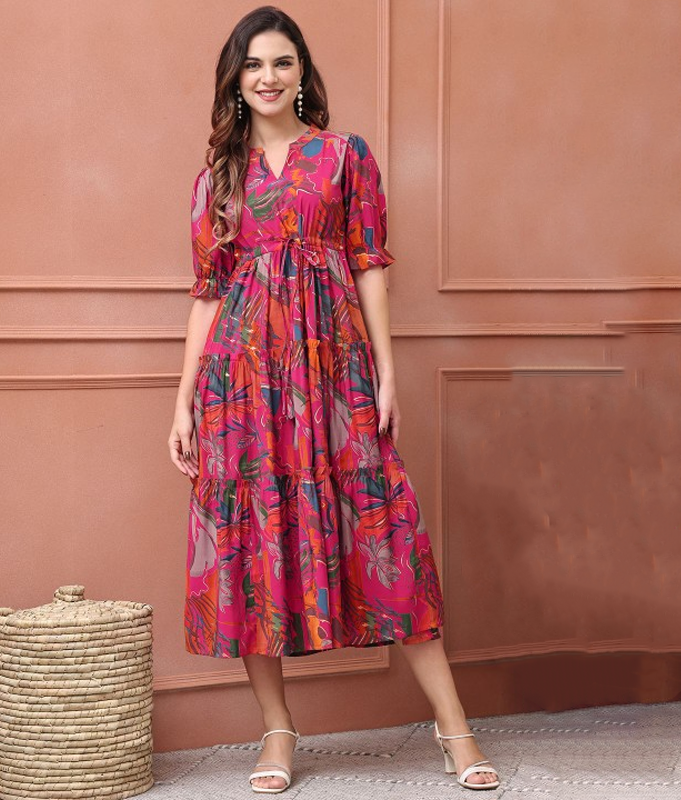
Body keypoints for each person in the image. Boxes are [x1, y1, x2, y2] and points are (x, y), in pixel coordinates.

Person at [168, 5, 500, 794]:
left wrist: (385, 371)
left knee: (387, 528)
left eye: (282, 62)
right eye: (253, 65)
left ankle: (454, 726)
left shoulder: (344, 156)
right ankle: (277, 732)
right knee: (251, 544)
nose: (268, 77)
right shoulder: (218, 179)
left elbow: (369, 264)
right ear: (235, 80)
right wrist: (181, 404)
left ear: (302, 74)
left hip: (334, 371)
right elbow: (208, 294)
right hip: (241, 385)